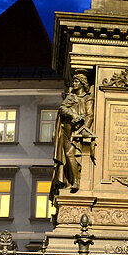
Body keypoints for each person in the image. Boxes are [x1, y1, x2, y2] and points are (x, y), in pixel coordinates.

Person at [51, 73, 95, 201]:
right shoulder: (71, 97)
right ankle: (73, 181)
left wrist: (84, 129)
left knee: (71, 154)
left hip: (79, 132)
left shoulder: (88, 98)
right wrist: (73, 115)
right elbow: (62, 108)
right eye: (74, 81)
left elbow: (90, 115)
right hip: (67, 130)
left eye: (77, 81)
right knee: (68, 155)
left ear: (82, 83)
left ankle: (76, 182)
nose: (74, 84)